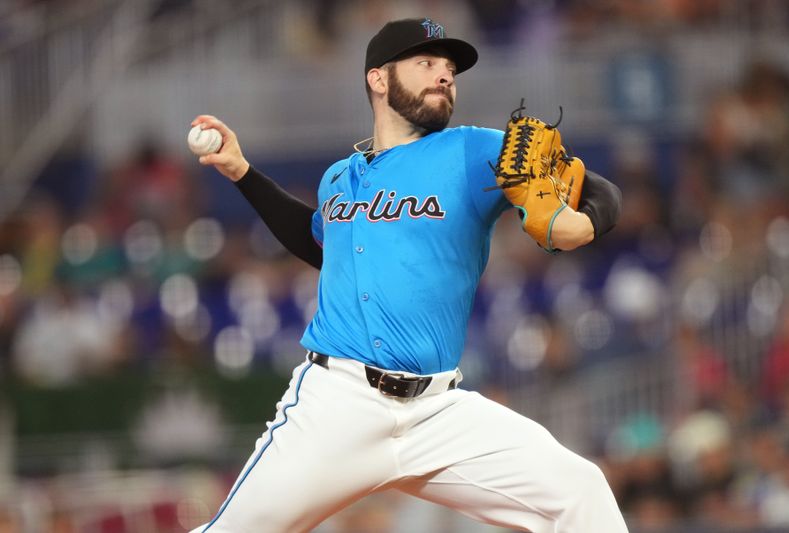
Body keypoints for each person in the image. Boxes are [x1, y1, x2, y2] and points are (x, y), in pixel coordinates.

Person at [190, 17, 628, 533]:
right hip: (337, 405)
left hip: (438, 412)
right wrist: (243, 172)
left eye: (450, 69)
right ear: (379, 79)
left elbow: (597, 188)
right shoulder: (340, 177)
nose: (444, 76)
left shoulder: (475, 151)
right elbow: (316, 243)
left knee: (580, 492)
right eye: (426, 63)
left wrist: (586, 220)